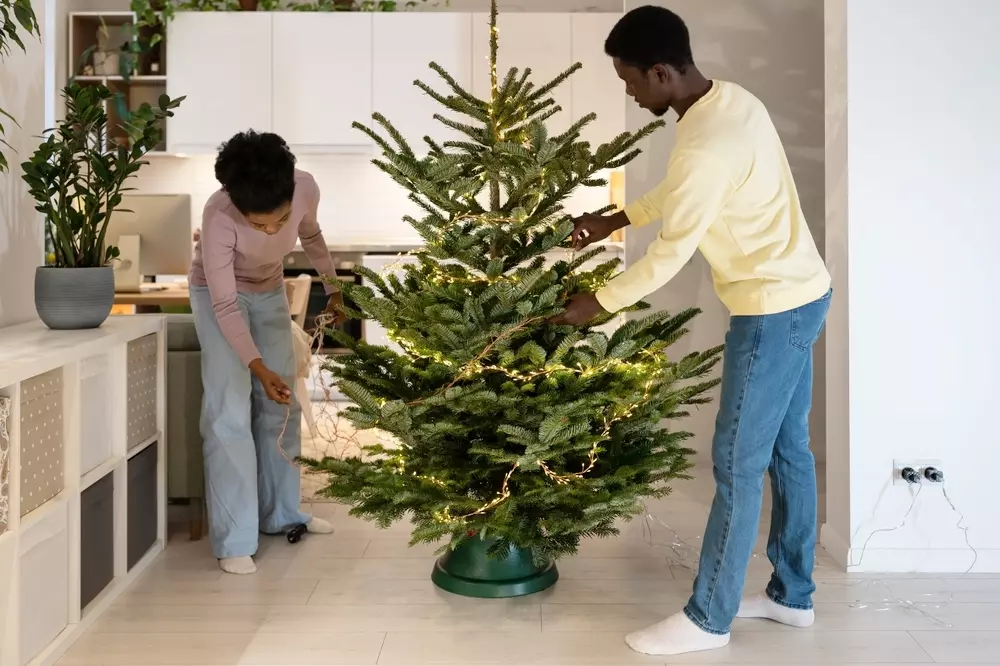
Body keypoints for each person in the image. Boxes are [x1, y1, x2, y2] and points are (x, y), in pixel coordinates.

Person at [550, 5, 832, 657]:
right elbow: (686, 195)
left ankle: (708, 619)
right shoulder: (730, 103)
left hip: (769, 309)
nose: (627, 91)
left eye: (629, 81)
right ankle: (793, 598)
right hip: (803, 291)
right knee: (789, 450)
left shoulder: (708, 142)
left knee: (737, 462)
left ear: (660, 73)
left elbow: (673, 250)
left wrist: (599, 301)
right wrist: (614, 219)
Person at [188, 130, 346, 575]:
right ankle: (235, 538)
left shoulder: (305, 187)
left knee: (284, 406)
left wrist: (334, 289)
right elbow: (223, 304)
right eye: (260, 226)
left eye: (280, 221)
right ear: (236, 205)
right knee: (227, 412)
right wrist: (256, 366)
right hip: (219, 296)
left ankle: (283, 514)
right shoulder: (219, 215)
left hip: (269, 289)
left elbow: (311, 235)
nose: (274, 231)